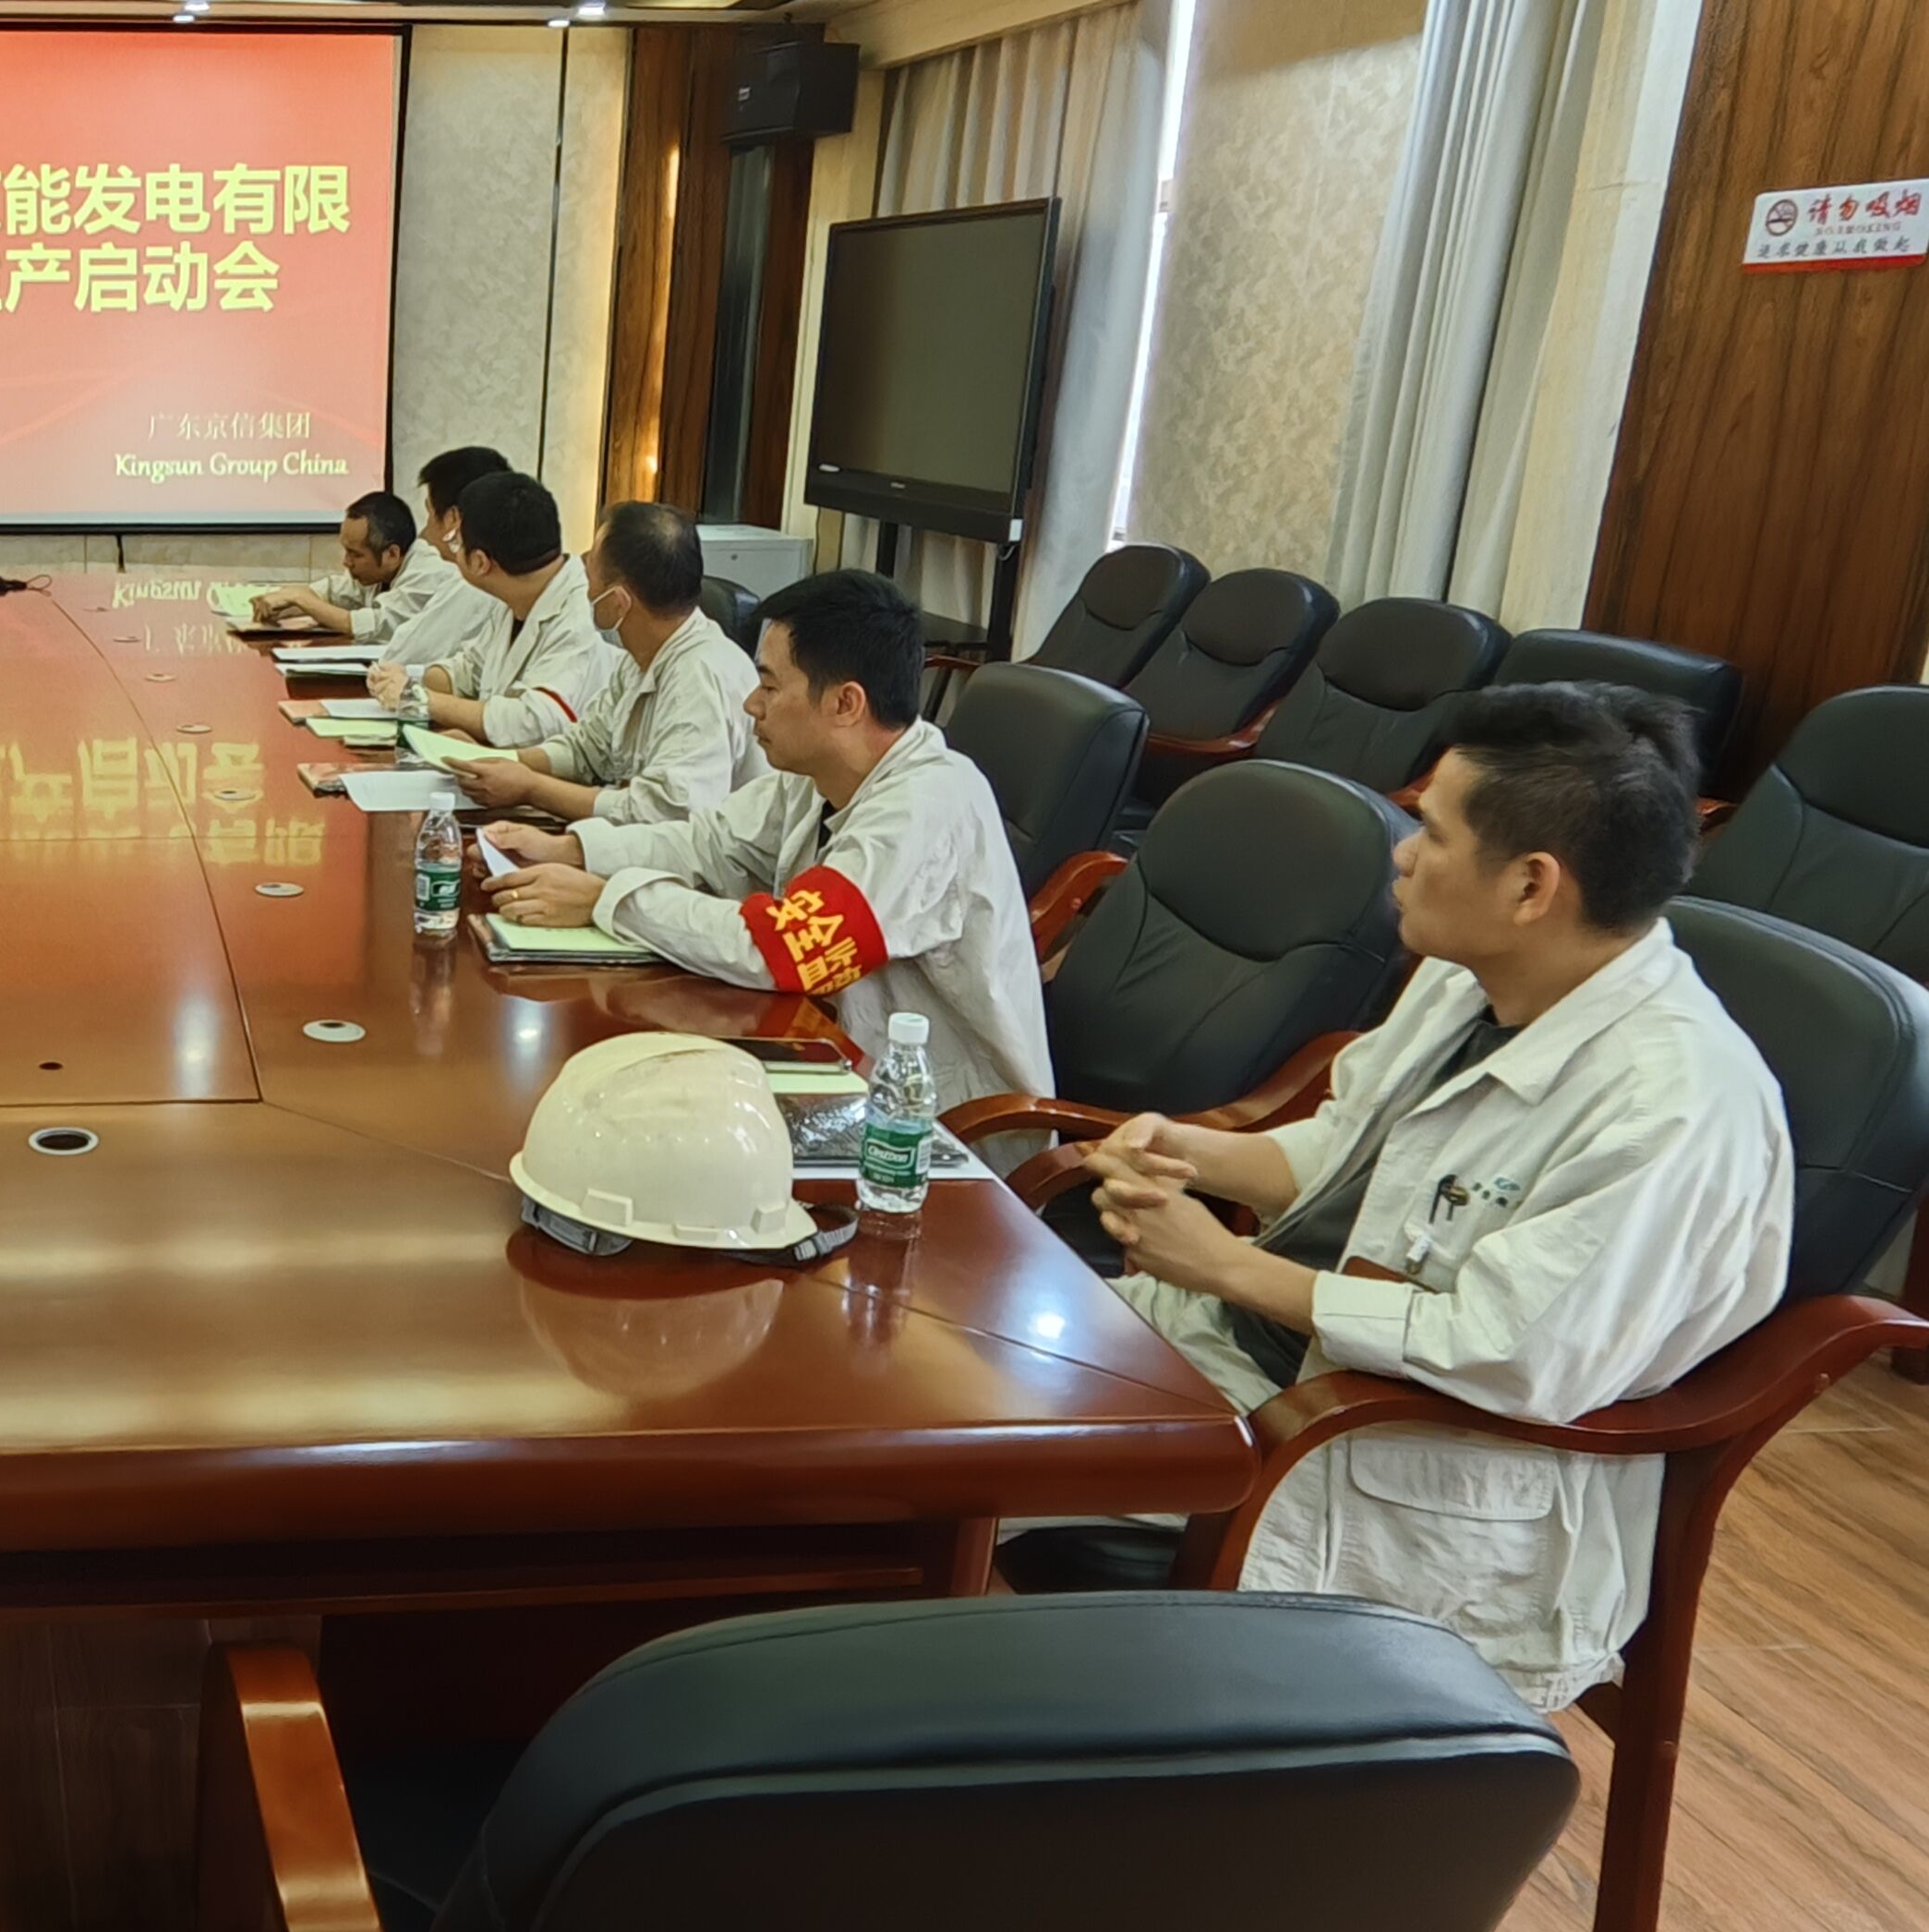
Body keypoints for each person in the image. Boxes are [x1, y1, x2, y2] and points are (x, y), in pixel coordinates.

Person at [1079, 683, 1788, 1710]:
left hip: (1397, 1463)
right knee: (950, 1379)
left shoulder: (1675, 1107)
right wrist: (1197, 1155)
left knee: (965, 1469)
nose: (1403, 856)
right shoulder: (1473, 976)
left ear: (1532, 885)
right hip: (1249, 1362)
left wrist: (1226, 1265)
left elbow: (1505, 1350)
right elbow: (1356, 1150)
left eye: (1433, 833)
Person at [485, 565, 1047, 1109]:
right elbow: (708, 842)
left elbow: (789, 950)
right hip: (828, 1059)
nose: (752, 704)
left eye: (770, 685)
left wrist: (608, 900)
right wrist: (576, 851)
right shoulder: (818, 773)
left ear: (845, 703)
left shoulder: (927, 807)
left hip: (926, 1123)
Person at [452, 501, 762, 827]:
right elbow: (587, 748)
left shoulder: (701, 676)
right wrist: (497, 761)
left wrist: (532, 788)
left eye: (589, 574)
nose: (586, 590)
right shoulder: (642, 657)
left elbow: (664, 813)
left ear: (617, 602)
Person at [367, 469, 617, 750]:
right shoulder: (515, 596)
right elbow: (469, 670)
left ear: (479, 562)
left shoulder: (581, 616)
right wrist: (405, 679)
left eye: (456, 541)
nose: (451, 550)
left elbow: (534, 721)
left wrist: (420, 698)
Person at [253, 445, 502, 664]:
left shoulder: (458, 583)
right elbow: (336, 593)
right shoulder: (469, 581)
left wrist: (300, 599)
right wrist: (290, 603)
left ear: (453, 519)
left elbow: (400, 653)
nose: (426, 530)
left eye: (429, 514)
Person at [249, 491, 416, 633]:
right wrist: (284, 606)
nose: (346, 562)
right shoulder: (374, 576)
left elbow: (374, 626)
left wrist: (299, 597)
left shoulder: (423, 577)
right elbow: (330, 594)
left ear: (392, 554)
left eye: (355, 554)